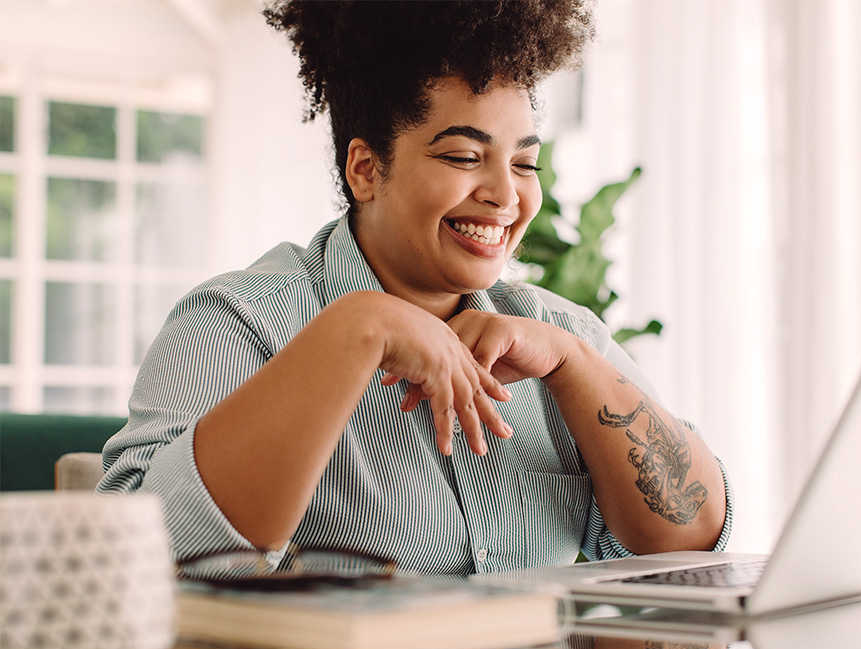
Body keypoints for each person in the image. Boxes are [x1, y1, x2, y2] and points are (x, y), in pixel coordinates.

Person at [100, 0, 732, 575]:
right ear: (367, 169)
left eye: (524, 163)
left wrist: (574, 367)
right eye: (463, 157)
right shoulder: (233, 321)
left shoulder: (559, 336)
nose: (506, 196)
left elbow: (692, 540)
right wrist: (359, 329)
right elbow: (139, 558)